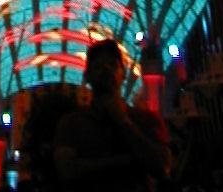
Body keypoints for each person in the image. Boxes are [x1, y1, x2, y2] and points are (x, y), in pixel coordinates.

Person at [54, 38, 169, 190]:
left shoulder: (147, 119)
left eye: (112, 64)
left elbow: (163, 167)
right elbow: (66, 170)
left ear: (124, 73)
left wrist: (123, 120)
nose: (106, 69)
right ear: (87, 76)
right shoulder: (72, 123)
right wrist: (128, 161)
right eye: (98, 66)